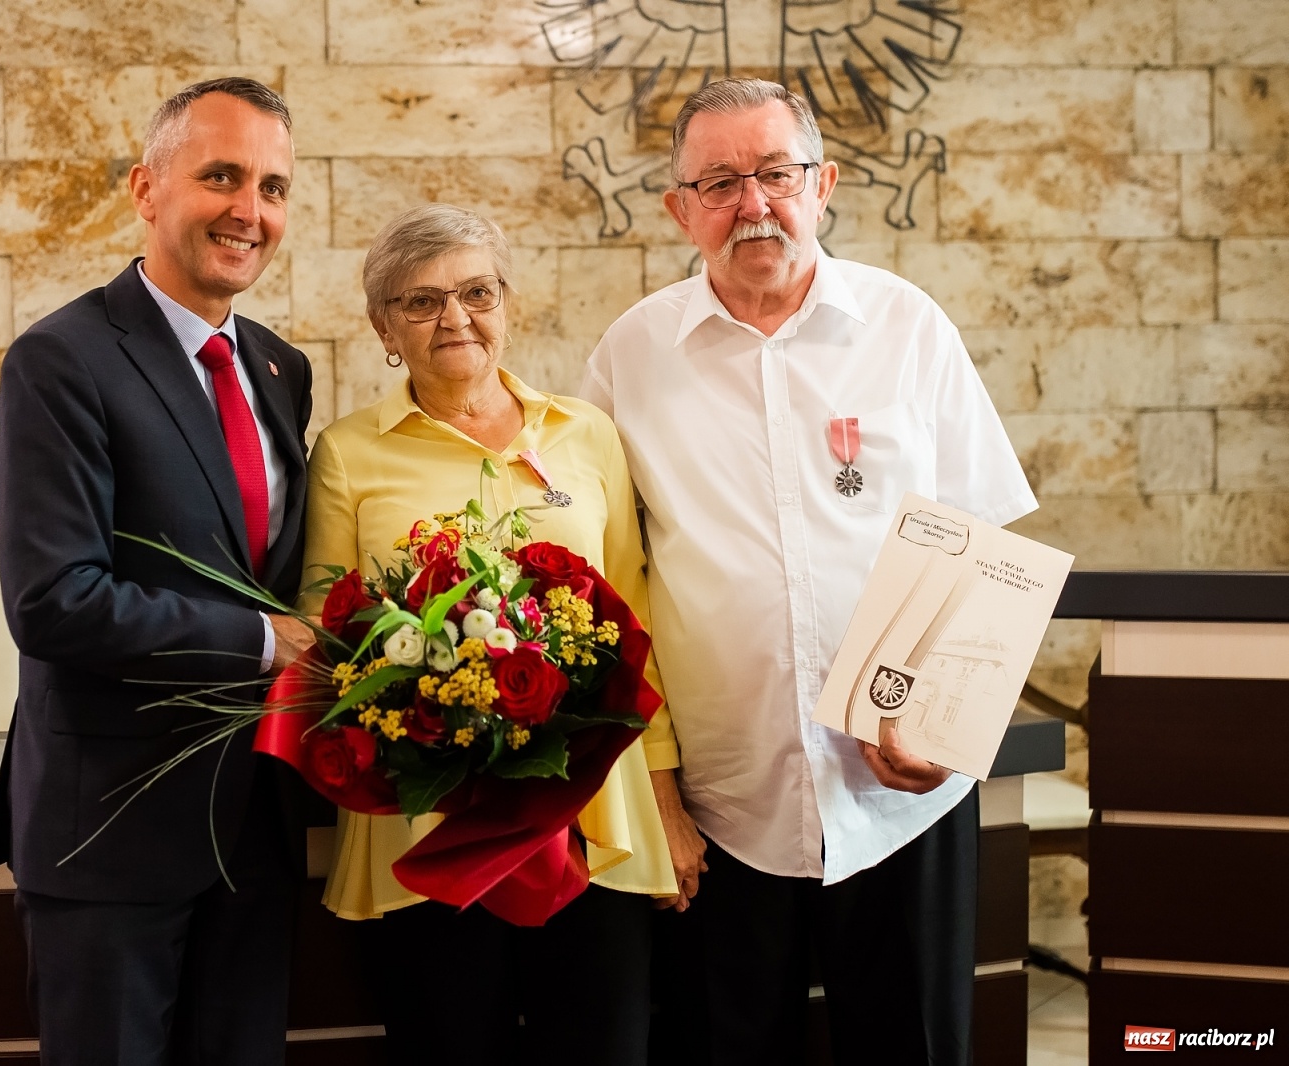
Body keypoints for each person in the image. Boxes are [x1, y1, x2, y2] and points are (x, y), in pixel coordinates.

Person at [581, 79, 1038, 1066]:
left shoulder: (907, 326)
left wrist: (946, 723)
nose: (752, 203)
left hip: (903, 800)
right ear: (680, 209)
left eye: (776, 174)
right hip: (724, 803)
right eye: (719, 182)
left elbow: (987, 545)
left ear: (821, 185)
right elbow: (609, 585)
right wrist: (658, 796)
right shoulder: (630, 356)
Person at [300, 203, 706, 1066]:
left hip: (592, 812)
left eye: (476, 292)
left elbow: (635, 624)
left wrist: (666, 803)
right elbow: (324, 635)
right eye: (421, 301)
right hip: (426, 821)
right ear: (383, 328)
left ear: (507, 303)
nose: (455, 317)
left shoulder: (586, 434)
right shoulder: (346, 452)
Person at [0, 77, 318, 1065]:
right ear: (146, 188)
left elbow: (271, 563)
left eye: (272, 187)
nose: (249, 210)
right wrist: (263, 642)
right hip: (110, 834)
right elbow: (53, 601)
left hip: (253, 827)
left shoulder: (279, 368)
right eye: (221, 176)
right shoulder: (60, 359)